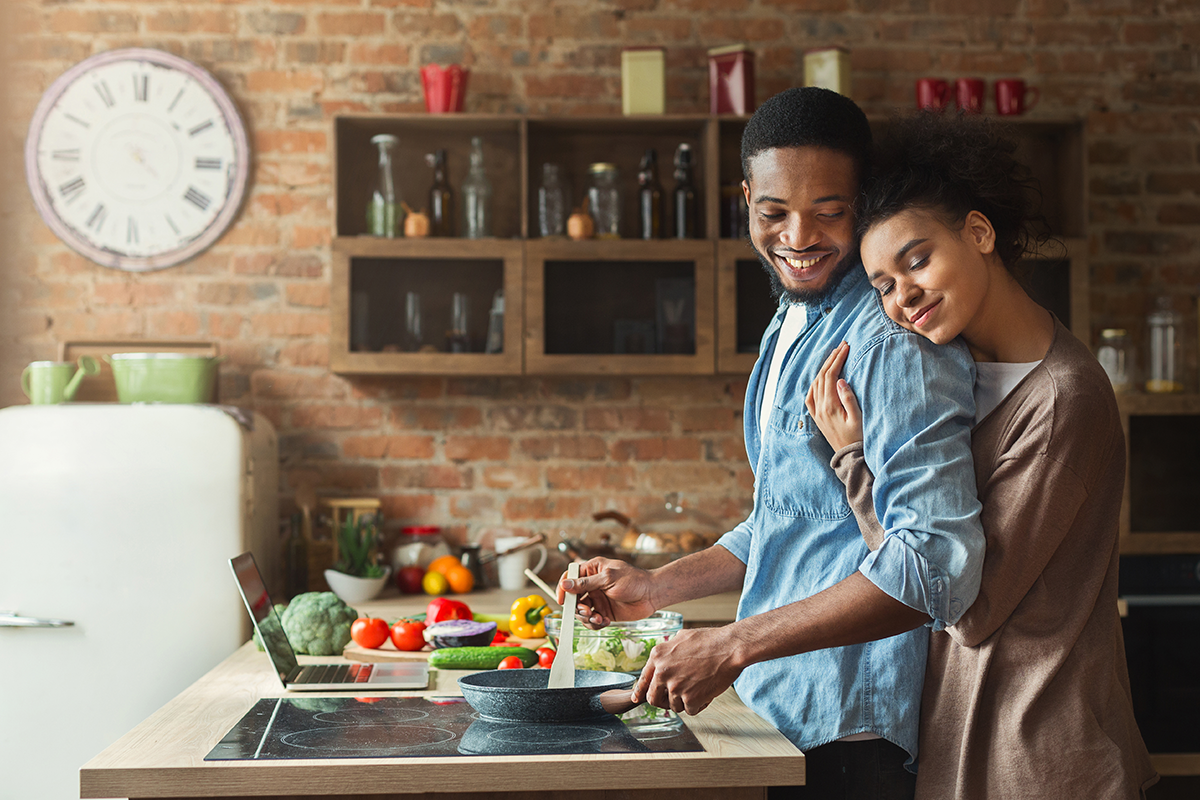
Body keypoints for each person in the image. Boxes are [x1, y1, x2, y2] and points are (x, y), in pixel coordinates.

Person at [557, 87, 986, 799]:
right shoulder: (790, 323)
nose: (798, 237)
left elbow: (936, 565)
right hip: (781, 712)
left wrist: (730, 642)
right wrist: (657, 584)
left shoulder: (891, 342)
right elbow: (787, 517)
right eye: (774, 212)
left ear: (863, 204)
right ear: (745, 197)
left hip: (854, 731)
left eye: (829, 212)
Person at [805, 112, 1158, 798]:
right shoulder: (956, 375)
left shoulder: (1063, 399)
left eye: (916, 260)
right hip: (973, 743)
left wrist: (854, 462)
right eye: (882, 284)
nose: (903, 296)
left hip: (1045, 761)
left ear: (979, 232)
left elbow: (965, 602)